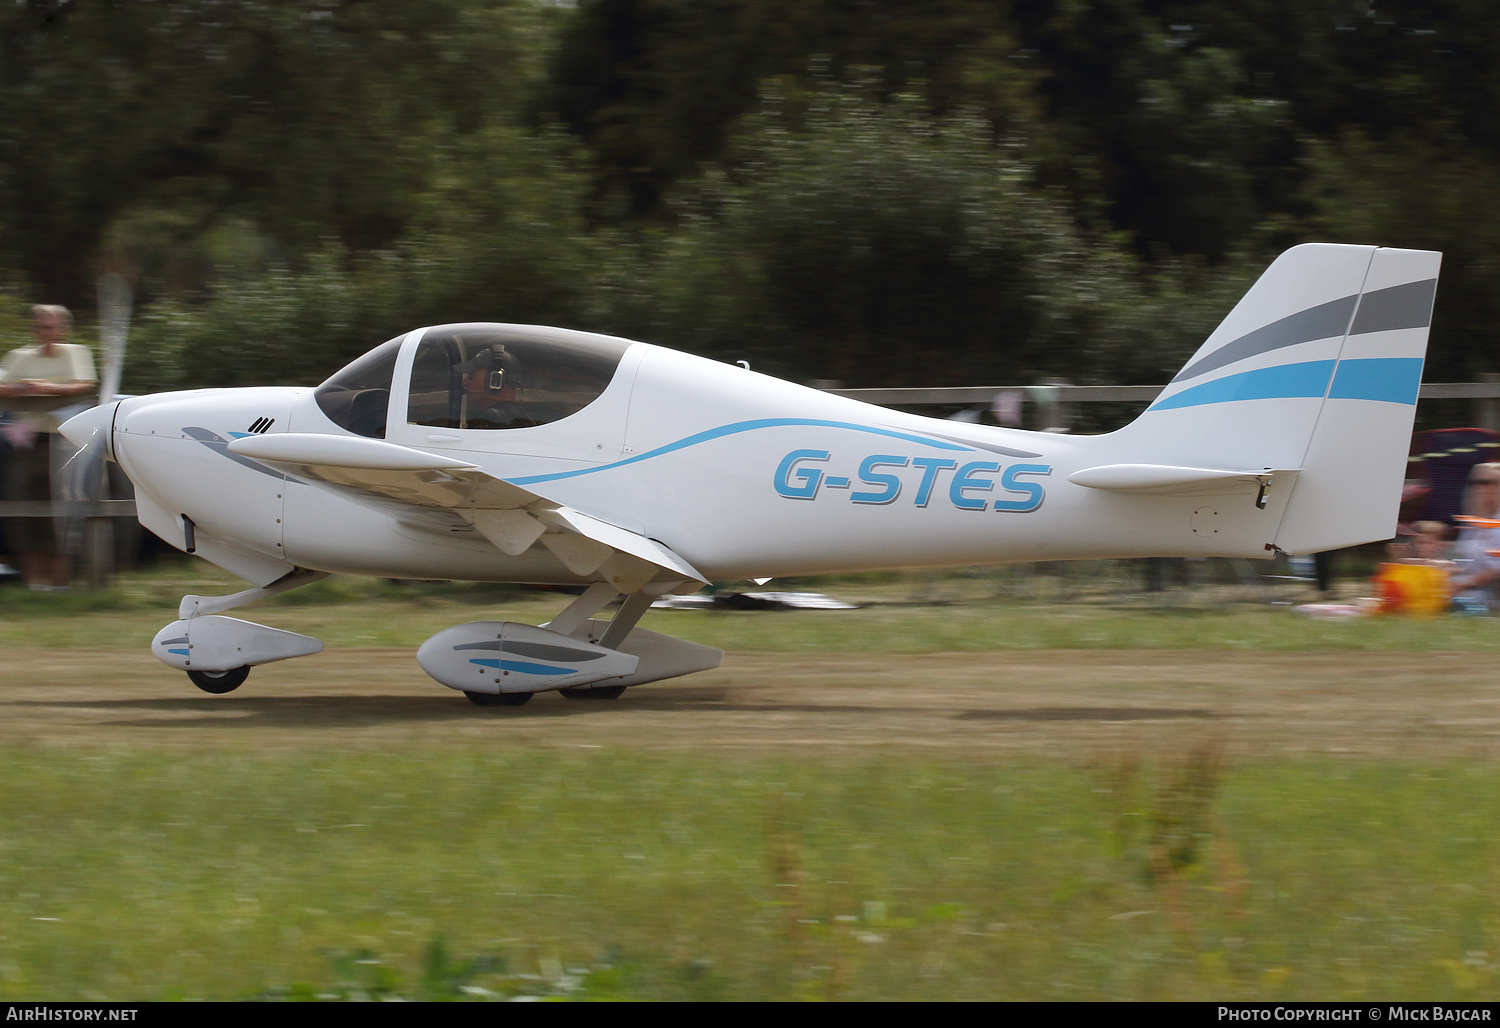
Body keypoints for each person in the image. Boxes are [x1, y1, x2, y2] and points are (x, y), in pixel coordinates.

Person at [0, 305, 97, 589]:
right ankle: (34, 580)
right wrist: (24, 390)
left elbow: (84, 386)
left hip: (63, 440)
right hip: (26, 440)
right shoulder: (19, 356)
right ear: (34, 329)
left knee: (61, 504)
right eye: (42, 327)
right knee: (22, 499)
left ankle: (60, 579)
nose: (48, 333)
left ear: (64, 329)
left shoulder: (76, 353)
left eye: (53, 327)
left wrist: (47, 387)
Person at [1449, 462, 1500, 613]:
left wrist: (1462, 584)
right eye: (1475, 483)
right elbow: (1464, 562)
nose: (1480, 488)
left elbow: (1496, 570)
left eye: (1487, 483)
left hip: (1489, 597)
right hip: (1465, 591)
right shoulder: (1474, 523)